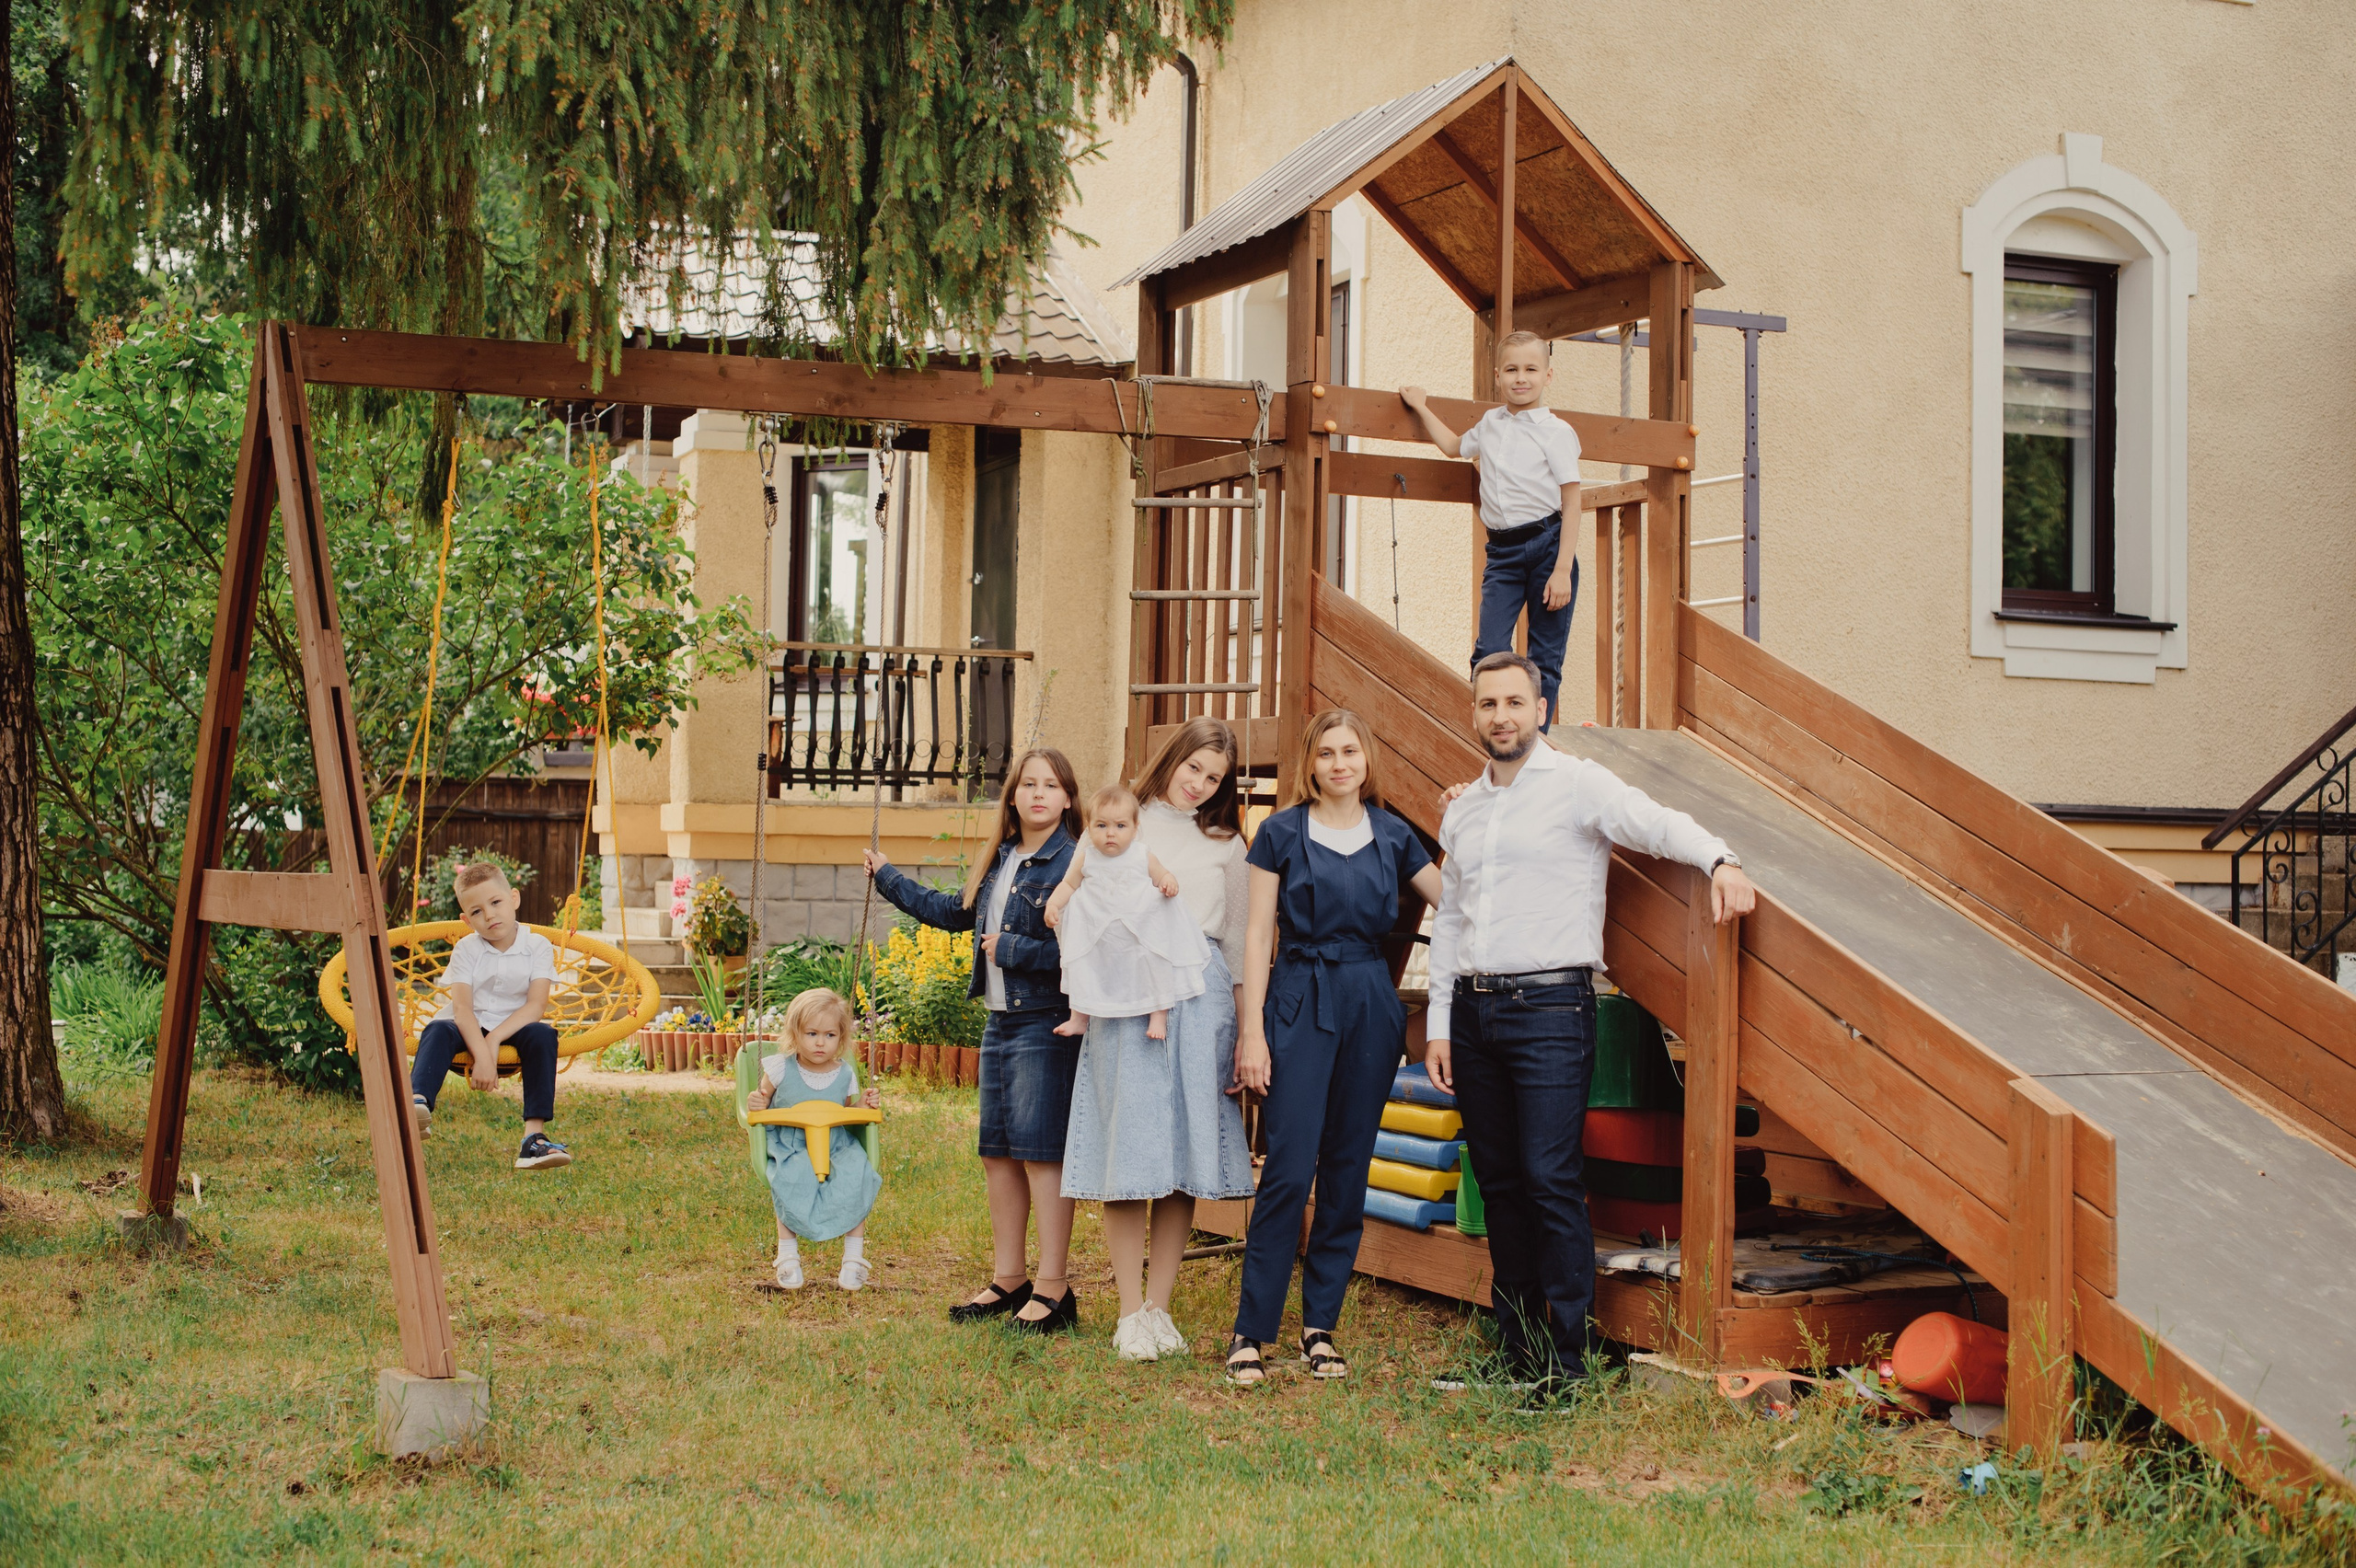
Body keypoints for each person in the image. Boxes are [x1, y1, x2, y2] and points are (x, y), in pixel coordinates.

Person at [1425, 651, 1756, 1397]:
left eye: (1515, 702)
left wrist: (1720, 860)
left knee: (1549, 1179)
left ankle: (1567, 1364)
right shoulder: (1464, 808)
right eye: (1487, 704)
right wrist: (1441, 1022)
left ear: (1541, 710)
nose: (1501, 716)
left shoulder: (1578, 785)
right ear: (1473, 714)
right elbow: (1452, 917)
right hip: (1474, 1013)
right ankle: (1516, 1354)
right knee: (1501, 1182)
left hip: (1550, 1008)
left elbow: (1655, 823)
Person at [1225, 710, 1446, 1387]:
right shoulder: (1281, 832)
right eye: (1327, 753)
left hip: (1370, 1003)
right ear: (1311, 764)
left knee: (1349, 1170)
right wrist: (1253, 1030)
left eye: (1351, 750)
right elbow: (1258, 935)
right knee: (1289, 1169)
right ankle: (1250, 1331)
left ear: (1366, 759)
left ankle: (1320, 1328)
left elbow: (1460, 901)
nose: (1340, 763)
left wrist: (1471, 820)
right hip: (1297, 997)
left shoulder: (1395, 835)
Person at [865, 748, 1085, 1333]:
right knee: (999, 1152)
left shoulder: (1074, 862)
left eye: (1051, 785)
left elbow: (1085, 950)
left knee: (1042, 1154)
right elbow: (954, 912)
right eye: (1028, 784)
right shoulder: (1004, 858)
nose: (1039, 794)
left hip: (1047, 1020)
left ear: (1068, 798)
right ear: (1013, 795)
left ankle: (1054, 1288)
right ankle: (1009, 1277)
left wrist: (1012, 950)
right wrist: (887, 876)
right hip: (1000, 1020)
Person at [1061, 716, 1257, 1363]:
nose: (1199, 784)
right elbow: (1078, 897)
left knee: (1180, 1153)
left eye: (1215, 777)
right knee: (1130, 1147)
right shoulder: (1121, 820)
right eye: (1193, 767)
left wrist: (1243, 1028)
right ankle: (1125, 1311)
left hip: (1200, 996)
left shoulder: (1229, 843)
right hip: (1125, 993)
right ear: (1172, 757)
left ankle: (1159, 1309)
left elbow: (1235, 939)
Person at [1400, 331, 1582, 731]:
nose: (1522, 378)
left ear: (1548, 375)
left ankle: (1536, 742)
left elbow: (1572, 500)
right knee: (1490, 650)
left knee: (1544, 654)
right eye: (1512, 369)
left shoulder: (1556, 432)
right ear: (1498, 375)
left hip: (1550, 548)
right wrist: (1420, 406)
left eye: (1531, 369)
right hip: (1503, 553)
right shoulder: (1490, 424)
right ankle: (1493, 731)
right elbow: (1452, 446)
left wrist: (1563, 569)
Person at [409, 860, 572, 1170]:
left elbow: (536, 1006)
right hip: (469, 1025)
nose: (489, 915)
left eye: (495, 903)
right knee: (438, 1029)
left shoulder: (537, 946)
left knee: (543, 1034)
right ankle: (417, 1104)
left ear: (514, 899)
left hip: (515, 1026)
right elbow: (462, 1010)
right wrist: (483, 1056)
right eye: (476, 912)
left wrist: (495, 1039)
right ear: (466, 920)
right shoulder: (466, 949)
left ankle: (533, 1140)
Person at [1044, 783, 1206, 1043]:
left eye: (1120, 826)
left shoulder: (1142, 854)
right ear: (1090, 827)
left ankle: (1159, 1014)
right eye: (1101, 825)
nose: (1110, 834)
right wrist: (1053, 905)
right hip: (1102, 932)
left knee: (1154, 961)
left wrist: (1168, 882)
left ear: (1134, 828)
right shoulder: (1088, 857)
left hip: (1138, 928)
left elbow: (1161, 874)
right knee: (1084, 964)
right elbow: (1068, 884)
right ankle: (1079, 1017)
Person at [746, 987, 884, 1291]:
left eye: (830, 1035)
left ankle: (853, 1258)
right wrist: (757, 1102)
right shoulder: (780, 1067)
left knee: (857, 1176)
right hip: (791, 1144)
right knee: (791, 1182)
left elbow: (847, 1111)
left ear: (841, 1037)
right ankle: (787, 1256)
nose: (821, 1043)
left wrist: (863, 1105)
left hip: (836, 1142)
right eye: (811, 1033)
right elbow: (762, 1101)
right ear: (795, 1033)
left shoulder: (844, 1072)